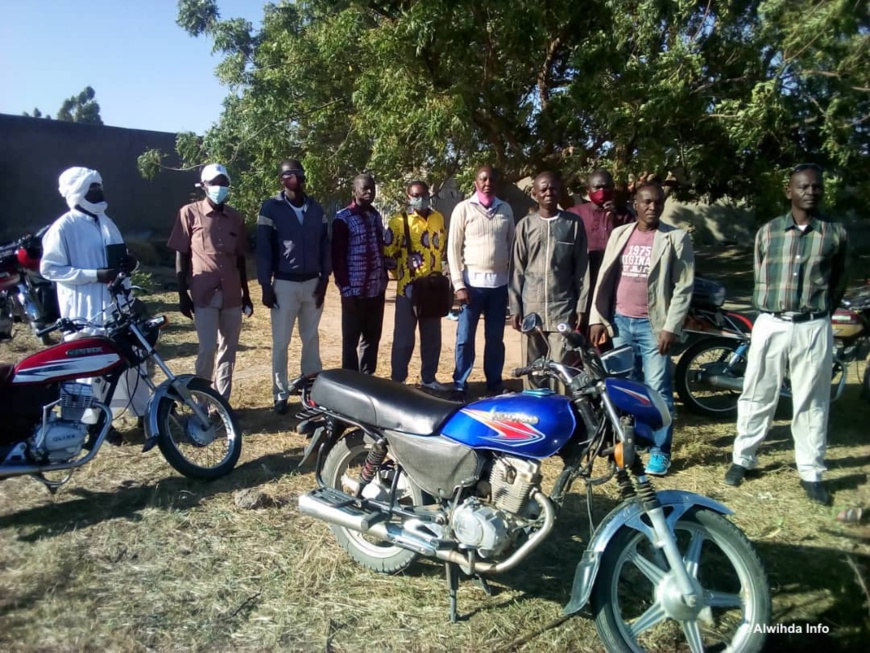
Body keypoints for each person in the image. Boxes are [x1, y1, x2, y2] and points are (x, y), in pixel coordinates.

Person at [725, 164, 848, 506]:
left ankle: (811, 471)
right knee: (756, 393)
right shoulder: (768, 232)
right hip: (771, 323)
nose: (810, 192)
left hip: (813, 325)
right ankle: (742, 458)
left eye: (816, 186)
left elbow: (839, 281)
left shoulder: (834, 234)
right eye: (803, 186)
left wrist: (819, 312)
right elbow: (758, 272)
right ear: (789, 191)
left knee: (811, 399)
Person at [589, 181, 694, 476]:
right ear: (635, 204)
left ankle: (661, 451)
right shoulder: (621, 234)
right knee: (628, 390)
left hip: (654, 327)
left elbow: (684, 286)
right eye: (646, 202)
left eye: (658, 203)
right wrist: (597, 317)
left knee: (658, 389)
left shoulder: (675, 238)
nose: (652, 207)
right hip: (621, 323)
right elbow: (604, 279)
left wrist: (670, 326)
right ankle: (634, 444)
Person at [40, 166, 149, 437]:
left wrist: (130, 264)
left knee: (131, 361)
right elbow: (50, 269)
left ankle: (143, 412)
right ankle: (92, 423)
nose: (98, 192)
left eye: (99, 187)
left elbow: (120, 260)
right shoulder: (64, 226)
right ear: (77, 191)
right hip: (84, 310)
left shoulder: (107, 222)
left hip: (116, 308)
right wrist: (93, 275)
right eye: (92, 188)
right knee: (88, 370)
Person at [168, 163, 252, 403]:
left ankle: (221, 401)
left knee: (228, 350)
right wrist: (182, 294)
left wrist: (246, 294)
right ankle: (201, 401)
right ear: (204, 185)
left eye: (224, 183)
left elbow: (240, 258)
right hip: (204, 292)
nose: (219, 187)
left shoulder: (235, 217)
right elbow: (181, 255)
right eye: (214, 183)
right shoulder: (189, 213)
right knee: (207, 349)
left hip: (232, 293)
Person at [256, 159, 330, 414]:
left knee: (310, 340)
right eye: (289, 175)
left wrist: (325, 279)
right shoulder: (271, 208)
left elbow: (325, 246)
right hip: (284, 284)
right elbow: (263, 249)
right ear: (281, 180)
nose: (294, 179)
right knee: (281, 342)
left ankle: (311, 391)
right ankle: (280, 393)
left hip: (312, 282)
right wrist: (265, 284)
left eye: (298, 174)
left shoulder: (316, 209)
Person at [509, 172, 589, 375]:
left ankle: (560, 406)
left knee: (562, 368)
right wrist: (515, 307)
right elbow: (517, 269)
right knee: (534, 369)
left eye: (553, 188)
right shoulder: (525, 225)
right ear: (535, 193)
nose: (548, 193)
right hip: (532, 308)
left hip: (562, 308)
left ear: (560, 192)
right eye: (543, 189)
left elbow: (582, 268)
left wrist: (581, 306)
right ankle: (534, 406)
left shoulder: (573, 224)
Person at [447, 165, 515, 399]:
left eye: (492, 179)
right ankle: (460, 382)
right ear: (476, 182)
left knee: (495, 338)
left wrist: (511, 286)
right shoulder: (463, 209)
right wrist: (459, 284)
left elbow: (512, 246)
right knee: (465, 337)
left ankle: (494, 383)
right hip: (471, 286)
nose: (488, 183)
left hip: (499, 286)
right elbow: (453, 249)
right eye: (483, 179)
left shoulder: (505, 209)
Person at [384, 180, 450, 390]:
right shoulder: (399, 222)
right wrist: (399, 272)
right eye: (415, 195)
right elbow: (388, 253)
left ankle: (429, 378)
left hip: (432, 289)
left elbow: (441, 246)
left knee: (432, 338)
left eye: (423, 195)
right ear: (408, 196)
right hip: (408, 289)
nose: (420, 199)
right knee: (404, 338)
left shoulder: (438, 219)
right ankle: (399, 381)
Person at [332, 173, 387, 374]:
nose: (369, 192)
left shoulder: (376, 216)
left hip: (376, 290)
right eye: (364, 188)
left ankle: (367, 380)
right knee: (350, 341)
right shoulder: (342, 219)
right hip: (353, 293)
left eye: (372, 188)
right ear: (354, 191)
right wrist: (345, 290)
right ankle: (350, 382)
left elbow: (380, 249)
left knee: (372, 339)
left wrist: (383, 280)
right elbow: (337, 258)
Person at [567, 169, 634, 323]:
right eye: (597, 187)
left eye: (606, 187)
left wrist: (614, 218)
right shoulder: (574, 214)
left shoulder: (625, 216)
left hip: (612, 277)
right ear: (587, 190)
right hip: (582, 276)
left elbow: (629, 242)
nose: (602, 191)